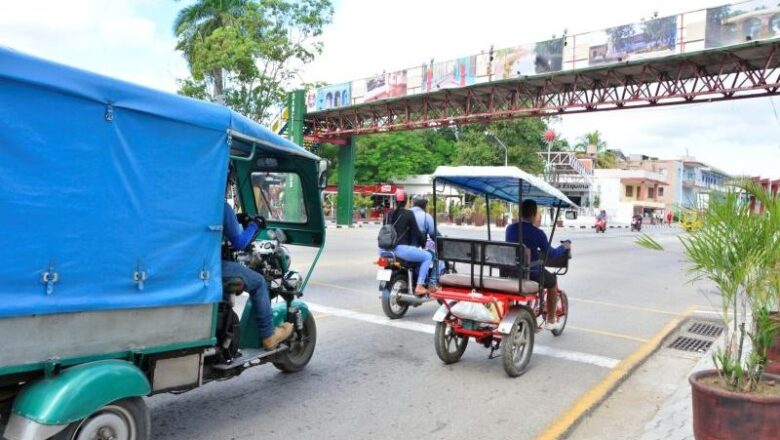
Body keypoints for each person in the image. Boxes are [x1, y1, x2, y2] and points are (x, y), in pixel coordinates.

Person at [222, 171, 293, 350]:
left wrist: (237, 220)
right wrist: (255, 224)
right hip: (215, 266)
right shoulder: (221, 208)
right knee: (259, 282)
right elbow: (239, 242)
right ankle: (269, 335)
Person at [505, 199, 571, 330]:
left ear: (520, 212)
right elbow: (551, 253)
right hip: (531, 273)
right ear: (534, 214)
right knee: (552, 283)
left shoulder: (510, 229)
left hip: (511, 271)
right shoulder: (538, 233)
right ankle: (551, 320)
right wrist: (564, 246)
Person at [383, 190, 434, 296]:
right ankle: (419, 286)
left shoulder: (388, 214)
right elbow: (417, 233)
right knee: (428, 256)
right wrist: (423, 243)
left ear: (395, 201)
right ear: (406, 201)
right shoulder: (409, 214)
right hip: (401, 250)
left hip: (384, 250)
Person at [410, 194, 444, 285]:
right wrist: (440, 244)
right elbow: (434, 234)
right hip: (415, 248)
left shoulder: (405, 213)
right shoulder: (426, 216)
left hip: (399, 247)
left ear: (412, 203)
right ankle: (432, 283)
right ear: (425, 205)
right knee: (437, 256)